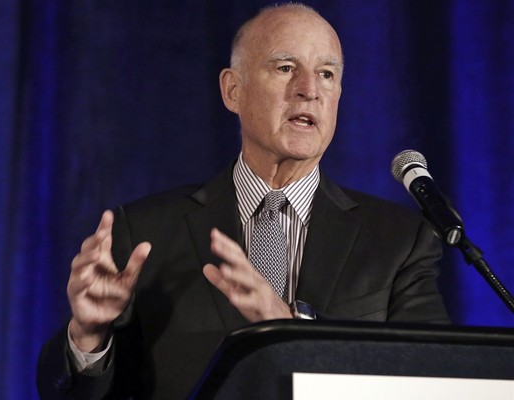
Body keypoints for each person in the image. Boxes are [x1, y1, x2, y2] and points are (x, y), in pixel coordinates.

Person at [37, 3, 449, 399]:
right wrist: (89, 336)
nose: (309, 90)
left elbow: (433, 383)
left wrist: (292, 328)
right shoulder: (146, 233)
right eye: (285, 68)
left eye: (326, 74)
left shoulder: (397, 242)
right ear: (233, 90)